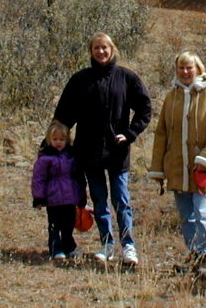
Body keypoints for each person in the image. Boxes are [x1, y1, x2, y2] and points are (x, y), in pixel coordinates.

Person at [53, 32, 152, 265]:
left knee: (121, 200)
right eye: (96, 48)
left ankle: (128, 246)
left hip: (118, 152)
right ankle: (106, 244)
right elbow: (64, 115)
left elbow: (145, 108)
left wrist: (130, 133)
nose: (101, 52)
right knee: (99, 201)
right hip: (89, 152)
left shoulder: (126, 78)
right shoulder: (80, 80)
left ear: (112, 49)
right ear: (91, 51)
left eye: (105, 47)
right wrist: (51, 145)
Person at [148, 51, 206, 270]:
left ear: (198, 69)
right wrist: (158, 168)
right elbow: (161, 134)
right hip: (177, 170)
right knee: (187, 216)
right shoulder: (171, 97)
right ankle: (195, 257)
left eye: (189, 67)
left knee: (202, 214)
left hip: (203, 172)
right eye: (181, 68)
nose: (185, 72)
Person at [31, 121, 87, 261]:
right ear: (49, 140)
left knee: (69, 224)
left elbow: (79, 177)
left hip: (70, 198)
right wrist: (39, 197)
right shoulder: (45, 159)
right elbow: (38, 179)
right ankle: (56, 248)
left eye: (61, 139)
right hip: (53, 199)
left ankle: (69, 247)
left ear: (67, 140)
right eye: (55, 139)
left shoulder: (72, 157)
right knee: (54, 225)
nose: (58, 142)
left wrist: (81, 196)